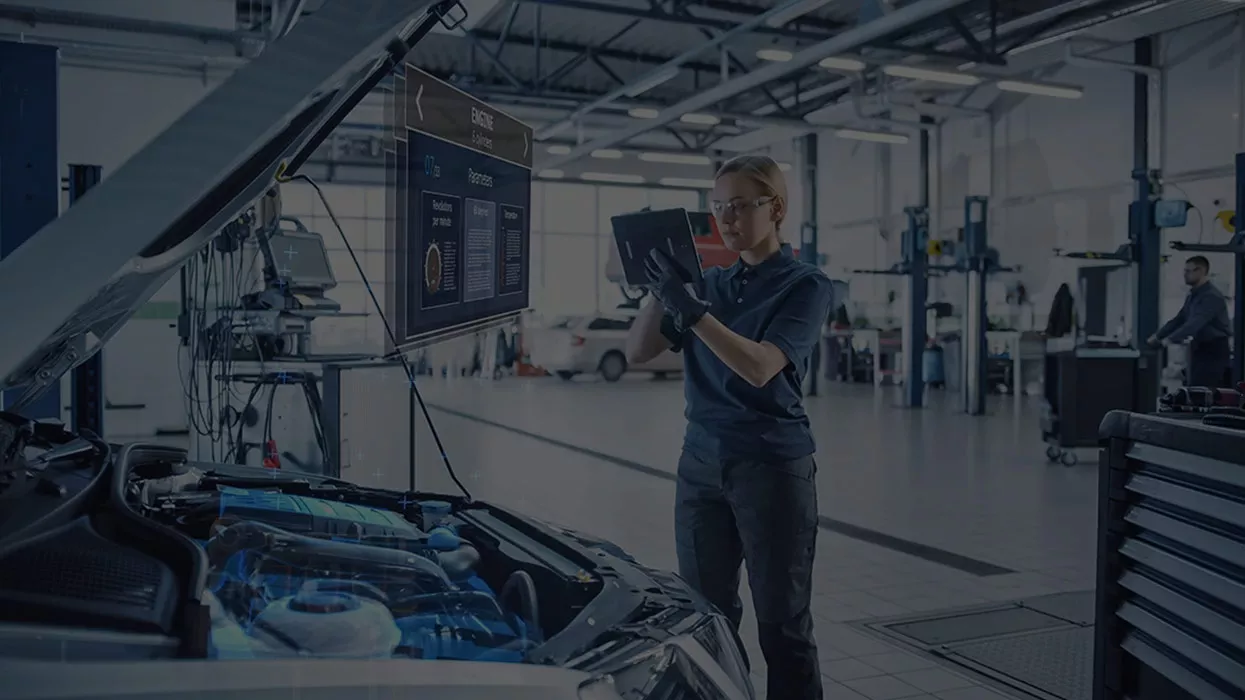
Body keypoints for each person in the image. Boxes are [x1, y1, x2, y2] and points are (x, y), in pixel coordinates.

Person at [624, 154, 834, 700]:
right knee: (706, 618)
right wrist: (660, 290)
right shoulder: (705, 285)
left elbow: (760, 366)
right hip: (701, 466)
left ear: (776, 209)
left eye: (740, 206)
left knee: (783, 626)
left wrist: (692, 311)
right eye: (718, 208)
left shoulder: (806, 285)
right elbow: (638, 351)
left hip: (771, 466)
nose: (727, 219)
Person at [1147, 255, 1231, 387]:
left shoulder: (1211, 297)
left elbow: (1194, 324)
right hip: (1198, 348)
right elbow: (1179, 319)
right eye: (1184, 271)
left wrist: (1168, 340)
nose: (1184, 275)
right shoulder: (1193, 295)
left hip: (1214, 350)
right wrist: (1157, 336)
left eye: (1188, 271)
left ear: (1201, 271)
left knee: (1203, 388)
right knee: (1191, 387)